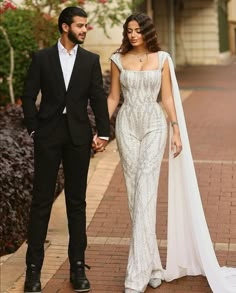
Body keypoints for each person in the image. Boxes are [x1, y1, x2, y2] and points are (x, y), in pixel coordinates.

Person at [107, 12, 236, 293]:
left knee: (146, 191)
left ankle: (135, 277)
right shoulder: (117, 59)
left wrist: (176, 129)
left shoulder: (163, 59)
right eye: (129, 30)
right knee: (134, 194)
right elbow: (114, 97)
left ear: (147, 32)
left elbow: (166, 97)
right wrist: (103, 130)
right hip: (127, 124)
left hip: (155, 124)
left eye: (137, 30)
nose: (132, 34)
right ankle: (152, 265)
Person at [21, 6, 110, 293]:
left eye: (85, 25)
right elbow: (28, 94)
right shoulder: (42, 58)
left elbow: (97, 97)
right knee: (41, 202)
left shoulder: (90, 60)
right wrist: (34, 128)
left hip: (77, 139)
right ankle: (33, 272)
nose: (84, 30)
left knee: (77, 203)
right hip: (47, 137)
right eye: (80, 25)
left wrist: (104, 133)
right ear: (64, 27)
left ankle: (78, 268)